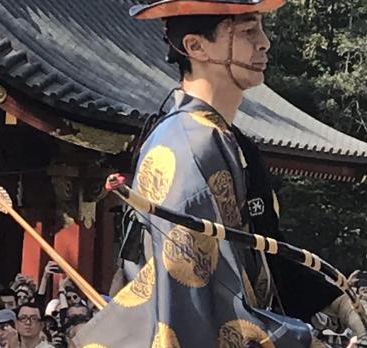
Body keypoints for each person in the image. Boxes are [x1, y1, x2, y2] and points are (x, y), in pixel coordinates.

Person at [74, 1, 337, 347]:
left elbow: (262, 249)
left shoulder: (222, 138)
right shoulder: (188, 148)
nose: (264, 42)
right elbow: (203, 299)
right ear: (195, 47)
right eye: (247, 31)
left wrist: (337, 301)